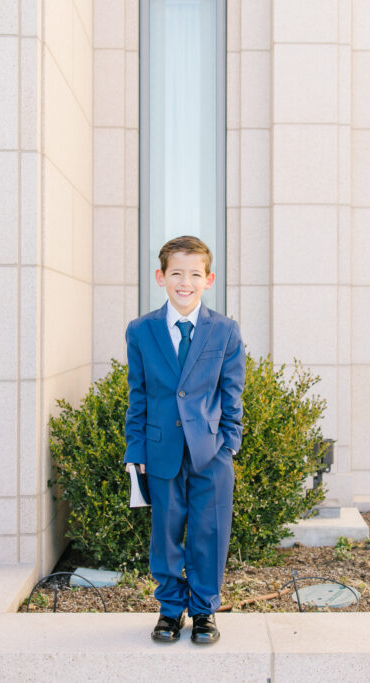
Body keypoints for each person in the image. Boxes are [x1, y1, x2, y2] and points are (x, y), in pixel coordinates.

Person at [123, 235, 245, 645]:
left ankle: (205, 611)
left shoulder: (225, 330)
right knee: (166, 534)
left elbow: (232, 395)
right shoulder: (141, 331)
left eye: (195, 274)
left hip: (211, 453)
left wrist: (229, 444)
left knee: (210, 534)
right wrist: (134, 450)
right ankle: (171, 610)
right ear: (161, 277)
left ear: (208, 279)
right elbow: (137, 395)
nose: (185, 282)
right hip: (160, 451)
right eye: (177, 273)